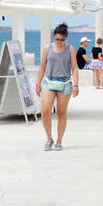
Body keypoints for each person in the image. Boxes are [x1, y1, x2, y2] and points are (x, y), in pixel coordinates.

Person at [35, 22, 80, 150]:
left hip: (65, 83)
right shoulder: (47, 48)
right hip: (49, 82)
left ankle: (59, 141)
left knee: (61, 113)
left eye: (62, 39)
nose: (59, 41)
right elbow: (42, 67)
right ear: (53, 37)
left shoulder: (70, 49)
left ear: (66, 38)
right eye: (57, 39)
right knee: (45, 111)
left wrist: (76, 85)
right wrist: (38, 84)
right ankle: (49, 138)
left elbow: (75, 68)